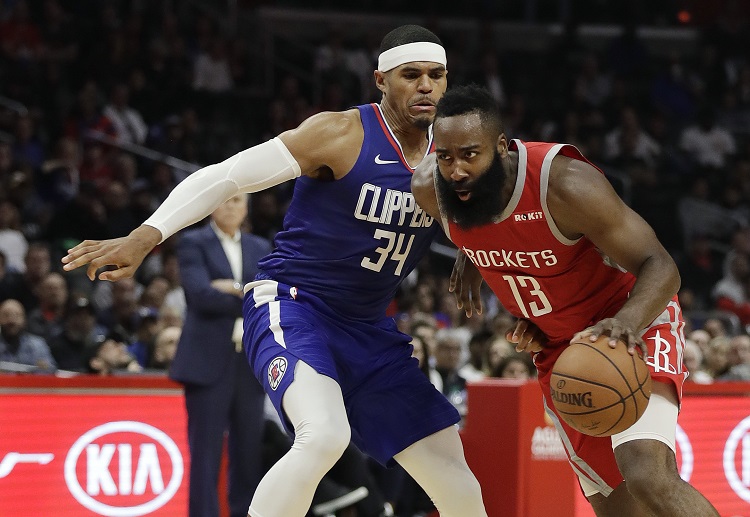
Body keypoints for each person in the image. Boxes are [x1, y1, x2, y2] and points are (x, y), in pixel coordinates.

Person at [62, 25, 487, 517]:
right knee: (323, 435)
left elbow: (501, 216)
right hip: (294, 305)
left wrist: (476, 250)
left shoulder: (455, 153)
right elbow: (226, 176)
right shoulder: (340, 133)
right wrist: (146, 235)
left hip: (368, 328)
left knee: (456, 479)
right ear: (380, 80)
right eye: (411, 75)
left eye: (437, 75)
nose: (426, 86)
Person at [411, 84, 719, 516]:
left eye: (469, 155)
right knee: (618, 510)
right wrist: (473, 254)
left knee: (648, 476)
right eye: (445, 157)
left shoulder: (565, 185)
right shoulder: (433, 190)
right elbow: (499, 229)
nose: (456, 170)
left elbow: (661, 266)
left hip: (629, 324)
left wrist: (626, 323)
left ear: (501, 148)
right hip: (561, 350)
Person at [169, 193, 271, 517]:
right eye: (225, 200)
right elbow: (200, 295)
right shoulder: (193, 242)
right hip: (207, 361)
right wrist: (247, 293)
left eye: (238, 200)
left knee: (248, 454)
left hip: (250, 363)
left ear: (246, 207)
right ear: (212, 206)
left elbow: (269, 296)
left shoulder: (260, 246)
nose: (231, 206)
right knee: (205, 454)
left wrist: (232, 288)